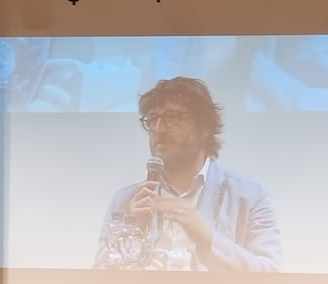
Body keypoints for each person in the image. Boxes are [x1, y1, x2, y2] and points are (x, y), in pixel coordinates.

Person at [94, 76, 283, 272]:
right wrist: (133, 233)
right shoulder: (126, 200)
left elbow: (270, 274)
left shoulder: (249, 195)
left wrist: (207, 238)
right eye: (152, 119)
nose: (158, 129)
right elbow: (98, 281)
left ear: (205, 127)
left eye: (172, 118)